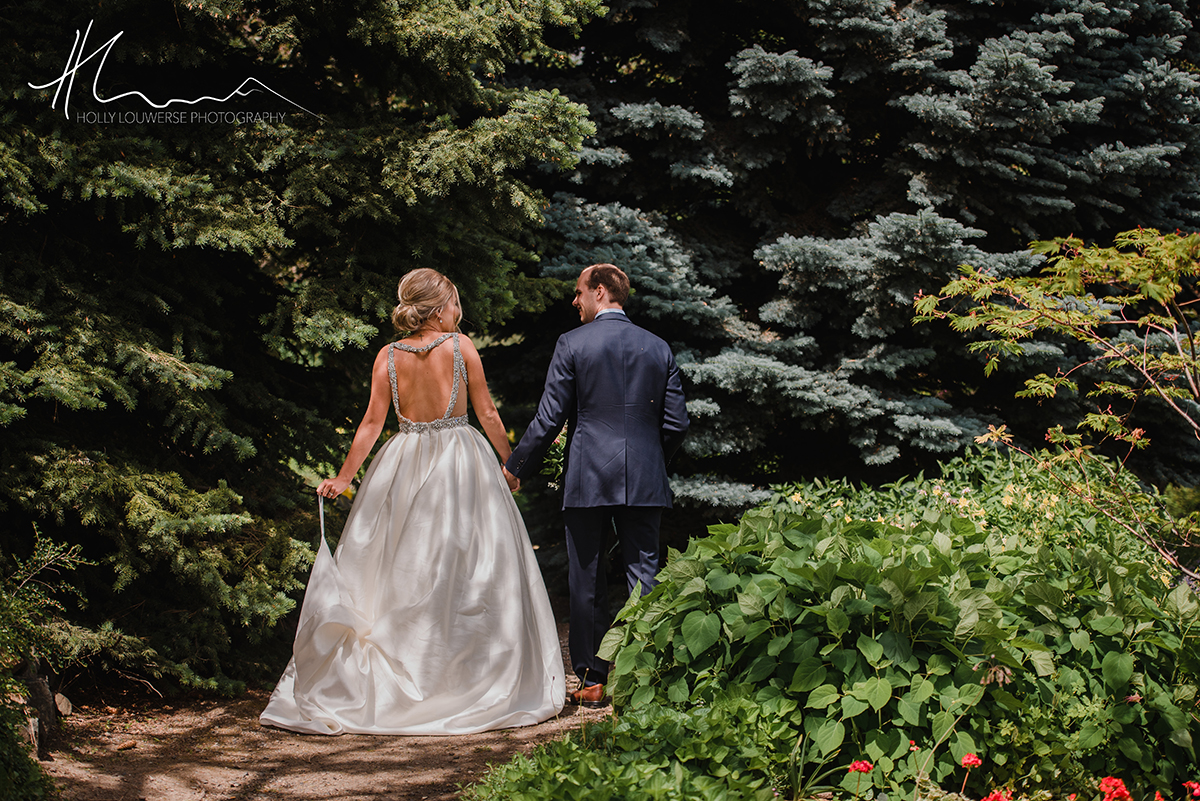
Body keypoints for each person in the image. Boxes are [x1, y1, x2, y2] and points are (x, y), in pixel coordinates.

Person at [260, 268, 564, 735]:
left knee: (400, 567)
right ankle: (464, 675)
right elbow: (485, 411)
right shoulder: (461, 347)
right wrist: (512, 463)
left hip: (401, 462)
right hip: (460, 462)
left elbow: (370, 423)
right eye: (456, 304)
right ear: (440, 308)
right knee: (467, 565)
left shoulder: (387, 355)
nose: (459, 312)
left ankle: (409, 671)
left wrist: (345, 477)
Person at [503, 263, 689, 708]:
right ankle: (645, 675)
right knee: (644, 573)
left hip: (588, 476)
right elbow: (677, 424)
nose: (574, 301)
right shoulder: (658, 346)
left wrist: (516, 466)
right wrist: (650, 461)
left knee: (586, 576)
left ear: (599, 292)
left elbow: (550, 417)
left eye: (578, 292)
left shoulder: (572, 343)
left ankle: (591, 681)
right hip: (645, 477)